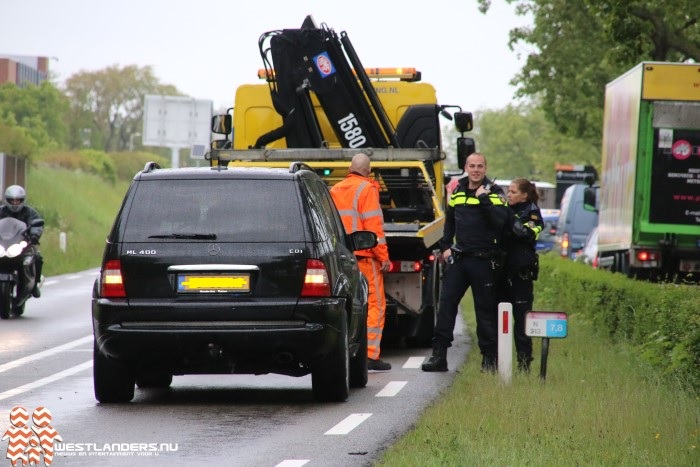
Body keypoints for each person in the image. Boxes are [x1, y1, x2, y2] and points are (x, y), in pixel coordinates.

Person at [422, 152, 509, 373]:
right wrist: (445, 247)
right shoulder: (457, 190)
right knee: (446, 307)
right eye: (472, 166)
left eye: (480, 166)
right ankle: (439, 356)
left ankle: (489, 361)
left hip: (484, 261)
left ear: (485, 168)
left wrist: (483, 199)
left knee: (485, 312)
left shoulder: (494, 192)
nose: (476, 170)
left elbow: (501, 221)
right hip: (459, 260)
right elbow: (449, 222)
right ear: (466, 167)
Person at [330, 153, 392, 371]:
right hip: (366, 258)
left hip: (342, 257)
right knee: (374, 305)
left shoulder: (335, 189)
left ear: (349, 167)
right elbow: (373, 228)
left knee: (347, 305)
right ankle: (371, 355)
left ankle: (347, 352)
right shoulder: (367, 189)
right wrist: (384, 257)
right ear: (368, 171)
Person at [502, 178, 544, 372]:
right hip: (501, 271)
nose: (508, 195)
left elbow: (525, 234)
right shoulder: (505, 210)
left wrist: (509, 218)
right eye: (507, 191)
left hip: (520, 274)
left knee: (521, 322)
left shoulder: (533, 214)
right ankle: (497, 364)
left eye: (512, 191)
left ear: (524, 195)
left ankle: (524, 364)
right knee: (497, 320)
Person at [0, 185, 44, 307]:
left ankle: (34, 285)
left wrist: (34, 235)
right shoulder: (1, 211)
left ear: (22, 200)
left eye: (18, 200)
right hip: (3, 245)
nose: (15, 203)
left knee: (37, 258)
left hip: (22, 245)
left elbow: (37, 224)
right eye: (12, 200)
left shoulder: (29, 212)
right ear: (6, 200)